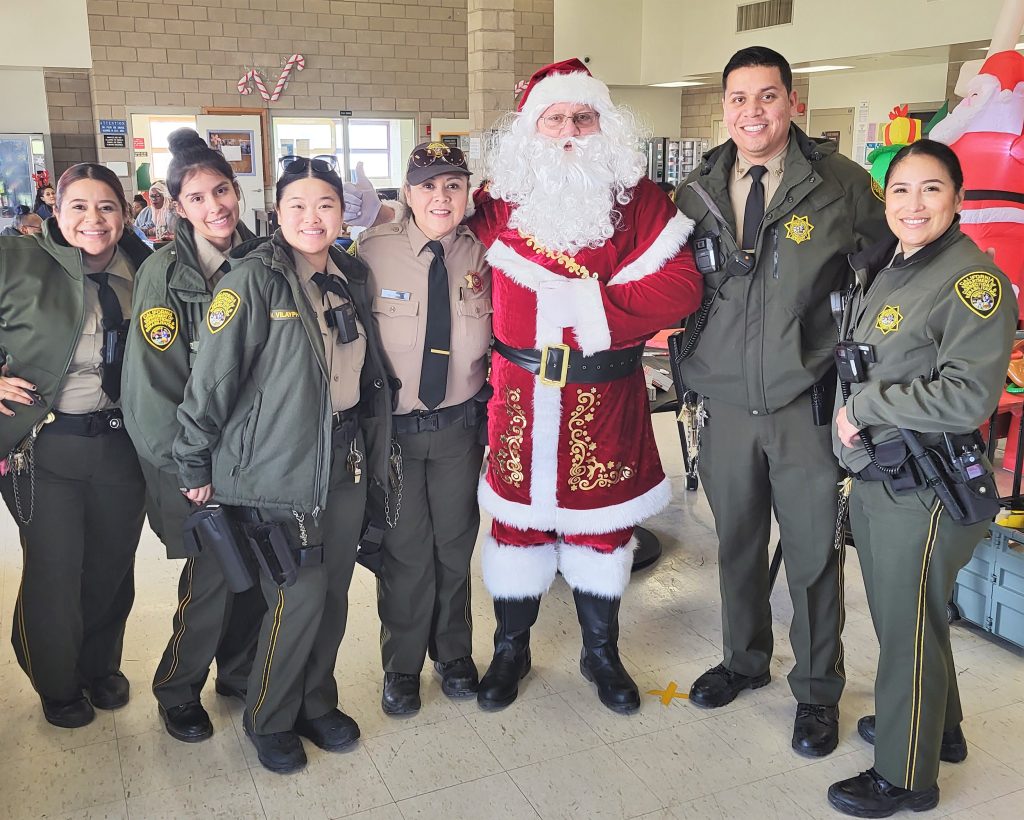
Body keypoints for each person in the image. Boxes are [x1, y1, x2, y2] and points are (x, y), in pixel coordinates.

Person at [348, 59, 703, 713]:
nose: (568, 131)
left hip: (606, 398)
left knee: (602, 533)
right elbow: (433, 224)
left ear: (604, 124)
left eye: (582, 117)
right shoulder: (499, 198)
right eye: (554, 117)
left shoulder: (640, 200)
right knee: (516, 529)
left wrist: (591, 307)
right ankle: (511, 650)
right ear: (531, 129)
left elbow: (681, 287)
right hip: (517, 397)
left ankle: (601, 654)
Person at [673, 46, 889, 756]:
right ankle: (743, 660)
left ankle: (818, 691)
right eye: (739, 98)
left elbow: (892, 265)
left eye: (767, 96)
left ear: (792, 102)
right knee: (736, 543)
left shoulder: (841, 184)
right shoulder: (697, 189)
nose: (753, 112)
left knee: (812, 556)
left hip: (807, 402)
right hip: (726, 405)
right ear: (724, 107)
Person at [173, 155, 394, 774]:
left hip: (345, 455)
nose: (311, 217)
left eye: (325, 204)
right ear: (277, 213)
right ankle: (268, 716)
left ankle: (315, 701)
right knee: (297, 593)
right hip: (279, 464)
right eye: (297, 205)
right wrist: (193, 463)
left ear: (342, 213)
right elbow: (211, 381)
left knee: (335, 591)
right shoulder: (254, 280)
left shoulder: (351, 274)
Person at [828, 140, 1015, 817]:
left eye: (931, 189)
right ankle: (941, 729)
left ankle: (905, 775)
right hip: (884, 474)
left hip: (926, 486)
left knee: (906, 630)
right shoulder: (898, 265)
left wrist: (866, 408)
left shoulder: (972, 283)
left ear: (958, 199)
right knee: (909, 618)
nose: (913, 204)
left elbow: (967, 397)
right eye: (901, 190)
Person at [121, 129, 267, 744]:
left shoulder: (263, 258)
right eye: (198, 198)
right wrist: (190, 469)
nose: (215, 207)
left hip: (258, 458)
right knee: (211, 579)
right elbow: (155, 386)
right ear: (177, 206)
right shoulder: (164, 274)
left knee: (255, 574)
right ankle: (178, 688)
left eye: (222, 191)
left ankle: (237, 671)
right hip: (201, 462)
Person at [0, 163, 151, 728]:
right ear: (55, 211)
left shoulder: (146, 268)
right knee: (56, 569)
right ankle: (57, 680)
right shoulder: (16, 260)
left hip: (122, 443)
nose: (94, 219)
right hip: (46, 445)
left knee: (111, 565)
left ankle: (99, 665)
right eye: (79, 207)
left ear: (125, 214)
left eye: (107, 207)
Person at [355, 142, 490, 716]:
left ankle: (453, 653)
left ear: (467, 193)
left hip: (460, 428)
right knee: (405, 551)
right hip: (397, 435)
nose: (441, 197)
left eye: (453, 185)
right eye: (428, 186)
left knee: (454, 545)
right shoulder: (371, 253)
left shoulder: (483, 254)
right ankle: (403, 664)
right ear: (408, 195)